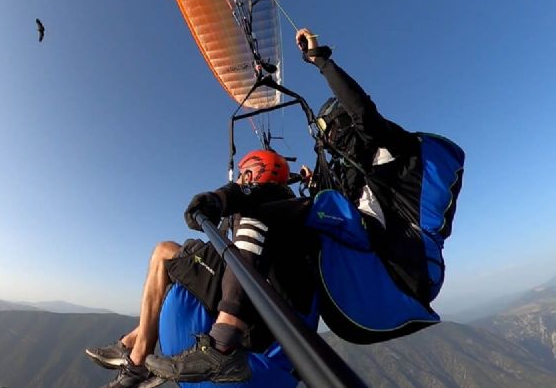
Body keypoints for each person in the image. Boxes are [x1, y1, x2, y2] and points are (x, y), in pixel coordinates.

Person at [147, 27, 465, 382]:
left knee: (261, 215)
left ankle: (223, 341)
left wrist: (320, 60)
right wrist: (314, 183)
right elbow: (340, 202)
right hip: (379, 266)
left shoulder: (397, 154)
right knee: (301, 217)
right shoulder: (370, 180)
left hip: (401, 267)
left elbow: (364, 114)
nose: (333, 143)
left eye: (334, 132)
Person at [85, 149, 314, 388]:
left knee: (163, 252)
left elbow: (235, 193)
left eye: (241, 175)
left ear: (249, 175)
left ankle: (138, 359)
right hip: (267, 296)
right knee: (177, 255)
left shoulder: (259, 195)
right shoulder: (290, 204)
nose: (238, 179)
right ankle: (133, 340)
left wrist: (212, 201)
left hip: (252, 298)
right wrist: (303, 178)